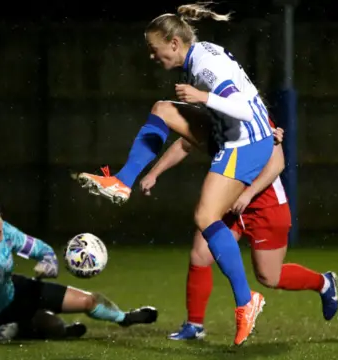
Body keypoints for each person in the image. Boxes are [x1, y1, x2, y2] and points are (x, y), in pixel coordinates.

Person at [76, 3, 273, 345]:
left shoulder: (206, 68)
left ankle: (246, 302)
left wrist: (202, 96)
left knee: (205, 216)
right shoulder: (195, 57)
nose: (152, 58)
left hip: (246, 142)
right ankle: (122, 181)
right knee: (162, 109)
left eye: (154, 50)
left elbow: (241, 107)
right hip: (227, 133)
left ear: (172, 43)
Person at [139, 121, 338, 340]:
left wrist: (249, 194)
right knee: (200, 254)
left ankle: (324, 282)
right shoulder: (216, 115)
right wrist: (154, 174)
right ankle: (194, 325)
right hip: (229, 201)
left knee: (269, 276)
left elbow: (277, 164)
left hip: (266, 205)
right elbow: (185, 144)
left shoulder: (253, 116)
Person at [0, 198, 158, 341]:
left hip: (17, 288)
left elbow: (42, 249)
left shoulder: (5, 232)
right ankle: (57, 331)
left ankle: (125, 318)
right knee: (53, 327)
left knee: (88, 300)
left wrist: (49, 262)